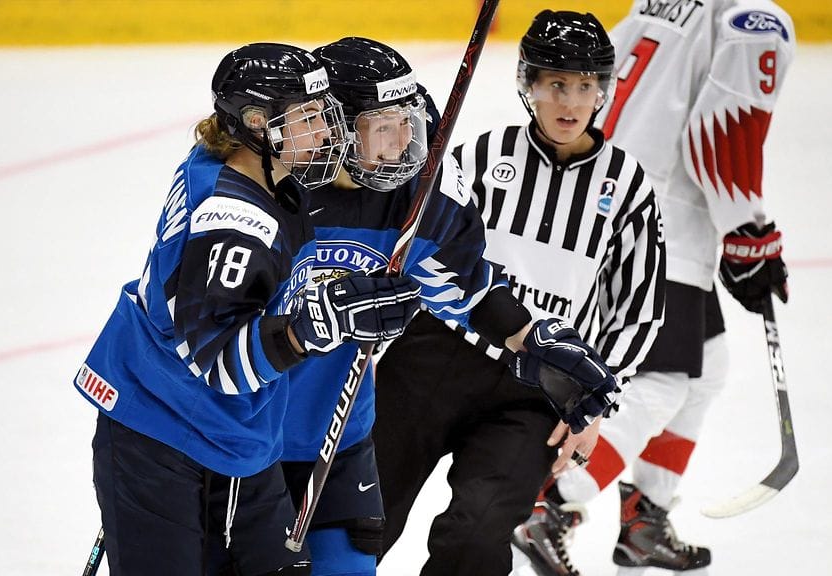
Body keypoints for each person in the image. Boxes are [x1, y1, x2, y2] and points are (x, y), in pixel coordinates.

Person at [205, 37, 622, 576]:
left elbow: (466, 290)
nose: (404, 144)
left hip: (339, 431)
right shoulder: (265, 187)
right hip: (244, 433)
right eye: (383, 127)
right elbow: (212, 325)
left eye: (409, 123)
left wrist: (533, 342)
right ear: (333, 124)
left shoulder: (420, 198)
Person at [75, 42, 426, 576]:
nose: (329, 133)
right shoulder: (235, 221)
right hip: (163, 432)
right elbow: (218, 363)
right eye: (310, 118)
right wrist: (316, 326)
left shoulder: (243, 167)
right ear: (259, 124)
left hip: (236, 437)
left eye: (326, 115)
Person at [373, 11, 666, 576]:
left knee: (477, 540)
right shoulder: (483, 157)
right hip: (434, 358)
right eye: (556, 83)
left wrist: (595, 402)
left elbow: (638, 312)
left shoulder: (627, 187)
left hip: (536, 390)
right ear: (529, 84)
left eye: (586, 86)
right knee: (362, 519)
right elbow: (421, 249)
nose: (571, 101)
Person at [512, 1, 795, 574]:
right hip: (663, 218)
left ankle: (647, 520)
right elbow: (721, 136)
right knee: (660, 380)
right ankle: (551, 503)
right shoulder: (756, 19)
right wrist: (748, 233)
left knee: (706, 364)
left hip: (616, 194)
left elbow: (603, 82)